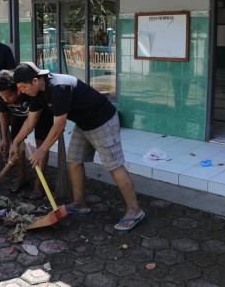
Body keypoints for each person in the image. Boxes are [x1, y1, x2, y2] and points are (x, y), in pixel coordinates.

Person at [11, 62, 145, 232]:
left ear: (35, 80)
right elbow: (31, 120)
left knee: (114, 165)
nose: (22, 91)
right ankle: (79, 203)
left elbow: (59, 125)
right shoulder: (36, 94)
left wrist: (42, 150)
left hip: (103, 121)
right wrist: (16, 142)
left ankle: (135, 210)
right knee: (73, 160)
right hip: (84, 123)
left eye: (23, 86)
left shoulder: (58, 87)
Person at [0, 70, 53, 199]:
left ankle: (39, 183)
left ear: (19, 89)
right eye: (2, 97)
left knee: (41, 145)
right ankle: (22, 178)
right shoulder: (0, 93)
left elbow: (31, 120)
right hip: (19, 115)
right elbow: (3, 114)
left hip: (41, 115)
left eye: (8, 97)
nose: (5, 100)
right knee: (16, 144)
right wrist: (4, 138)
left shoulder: (29, 92)